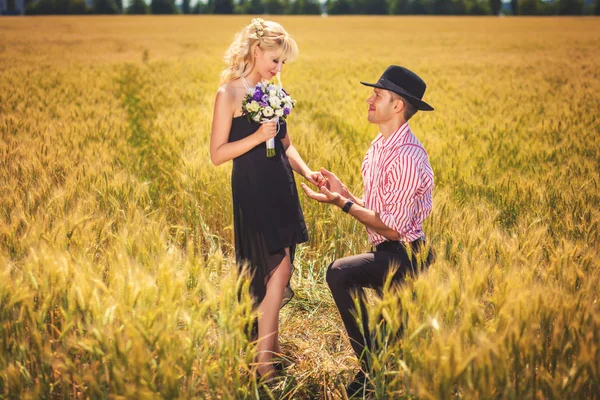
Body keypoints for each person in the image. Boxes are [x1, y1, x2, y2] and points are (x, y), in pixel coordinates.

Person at [301, 65, 435, 397]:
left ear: (398, 105)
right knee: (393, 351)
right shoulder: (379, 147)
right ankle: (375, 365)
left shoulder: (406, 157)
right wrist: (343, 192)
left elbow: (391, 228)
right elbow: (380, 211)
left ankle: (371, 365)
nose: (368, 100)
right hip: (387, 255)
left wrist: (341, 204)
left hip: (406, 258)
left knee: (340, 273)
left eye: (377, 95)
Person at [210, 18, 323, 381]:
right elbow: (217, 153)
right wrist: (258, 137)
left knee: (280, 269)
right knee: (276, 269)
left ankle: (265, 352)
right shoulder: (228, 94)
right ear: (256, 51)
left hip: (281, 186)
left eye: (283, 63)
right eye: (275, 60)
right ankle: (264, 364)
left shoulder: (273, 93)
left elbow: (286, 145)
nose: (278, 69)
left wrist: (308, 173)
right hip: (253, 189)